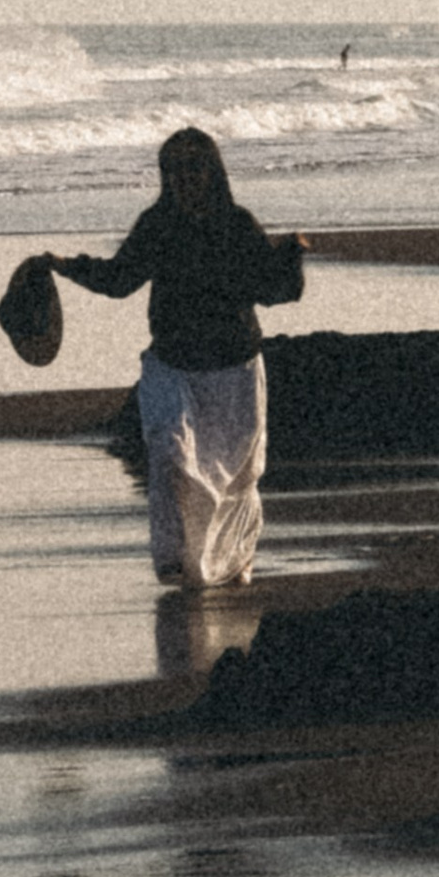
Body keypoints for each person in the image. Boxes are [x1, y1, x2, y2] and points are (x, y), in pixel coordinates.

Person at [48, 129, 305, 590]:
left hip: (234, 368)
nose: (185, 177)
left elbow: (274, 291)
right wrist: (69, 266)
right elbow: (119, 279)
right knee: (170, 453)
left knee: (234, 479)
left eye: (194, 167)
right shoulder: (157, 224)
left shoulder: (237, 224)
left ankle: (233, 559)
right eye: (175, 169)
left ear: (212, 171)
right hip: (171, 363)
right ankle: (174, 558)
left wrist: (290, 257)